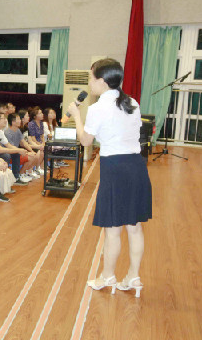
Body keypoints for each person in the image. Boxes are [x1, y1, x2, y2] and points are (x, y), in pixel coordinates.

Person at [67, 58, 151, 297]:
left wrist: (76, 115)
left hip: (114, 168)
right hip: (136, 166)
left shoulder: (97, 108)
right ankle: (133, 277)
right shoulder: (132, 102)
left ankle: (108, 276)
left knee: (112, 229)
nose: (89, 83)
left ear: (102, 81)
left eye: (91, 78)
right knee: (134, 226)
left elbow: (86, 141)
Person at [4, 113, 37, 183]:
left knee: (34, 155)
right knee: (31, 157)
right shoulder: (7, 133)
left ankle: (22, 174)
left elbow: (24, 142)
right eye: (18, 119)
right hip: (11, 154)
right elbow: (11, 147)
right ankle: (19, 175)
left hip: (17, 152)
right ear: (13, 122)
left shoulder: (18, 130)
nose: (20, 121)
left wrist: (31, 151)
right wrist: (26, 153)